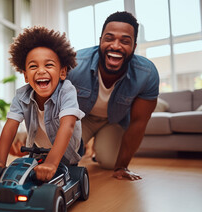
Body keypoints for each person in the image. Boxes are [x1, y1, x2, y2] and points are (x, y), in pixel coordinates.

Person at [67, 11, 159, 181]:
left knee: (110, 163)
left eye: (125, 41)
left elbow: (139, 123)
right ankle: (86, 146)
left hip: (113, 121)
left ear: (134, 46)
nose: (116, 46)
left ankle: (99, 150)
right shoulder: (75, 64)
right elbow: (51, 103)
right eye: (109, 38)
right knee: (65, 160)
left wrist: (122, 166)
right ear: (100, 40)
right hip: (81, 119)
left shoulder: (147, 73)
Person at [0, 26, 84, 182]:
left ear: (62, 72)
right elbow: (10, 126)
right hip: (38, 151)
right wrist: (0, 162)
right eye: (33, 66)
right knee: (27, 176)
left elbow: (68, 125)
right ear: (25, 75)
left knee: (62, 176)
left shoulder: (67, 90)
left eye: (49, 65)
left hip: (66, 152)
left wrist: (51, 163)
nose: (41, 71)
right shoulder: (21, 95)